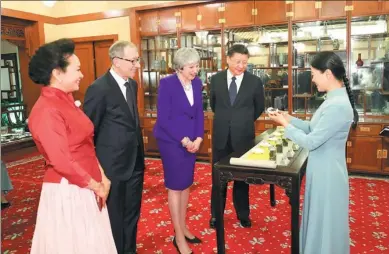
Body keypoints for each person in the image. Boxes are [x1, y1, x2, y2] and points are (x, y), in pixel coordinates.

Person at [27, 38, 116, 254]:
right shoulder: (46, 109)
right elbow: (61, 160)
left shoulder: (66, 100)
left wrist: (102, 176)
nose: (81, 75)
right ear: (57, 73)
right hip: (68, 189)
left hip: (86, 183)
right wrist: (95, 185)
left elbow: (86, 143)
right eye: (77, 69)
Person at [268, 51, 358, 254]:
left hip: (328, 174)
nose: (312, 79)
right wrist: (288, 118)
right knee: (318, 218)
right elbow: (312, 128)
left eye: (314, 74)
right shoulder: (333, 100)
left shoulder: (337, 105)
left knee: (325, 221)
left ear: (327, 74)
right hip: (321, 170)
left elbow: (311, 141)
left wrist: (285, 126)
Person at [84, 40, 145, 254]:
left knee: (132, 213)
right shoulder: (98, 89)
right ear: (117, 61)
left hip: (135, 162)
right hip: (112, 165)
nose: (137, 64)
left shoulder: (133, 84)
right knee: (114, 216)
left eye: (138, 59)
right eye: (133, 60)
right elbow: (88, 132)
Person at [153, 48, 204, 254]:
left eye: (197, 66)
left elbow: (199, 113)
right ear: (179, 67)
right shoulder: (167, 84)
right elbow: (163, 119)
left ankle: (182, 227)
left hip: (192, 141)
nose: (196, 71)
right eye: (192, 67)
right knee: (175, 186)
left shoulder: (197, 83)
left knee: (186, 184)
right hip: (172, 141)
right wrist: (184, 140)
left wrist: (199, 138)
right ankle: (178, 235)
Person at [209, 44, 265, 228]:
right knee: (218, 179)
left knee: (242, 180)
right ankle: (216, 215)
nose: (241, 66)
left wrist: (243, 121)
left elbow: (259, 107)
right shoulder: (216, 79)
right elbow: (214, 104)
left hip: (243, 138)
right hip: (221, 137)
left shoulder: (254, 82)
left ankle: (243, 214)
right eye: (237, 61)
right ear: (228, 59)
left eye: (245, 62)